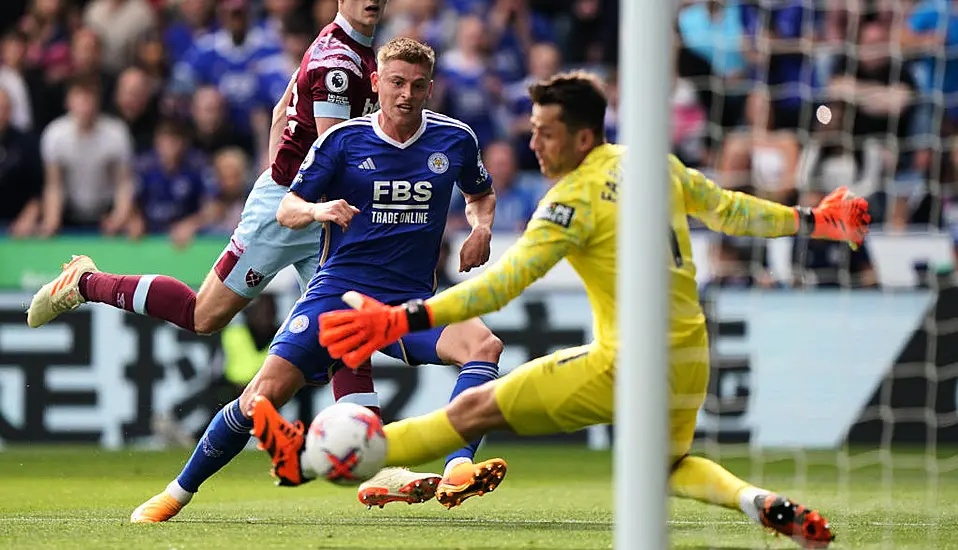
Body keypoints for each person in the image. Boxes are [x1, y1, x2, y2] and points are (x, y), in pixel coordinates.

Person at [252, 72, 871, 548]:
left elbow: (496, 289)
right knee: (668, 466)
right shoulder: (657, 165)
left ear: (580, 136)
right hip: (689, 359)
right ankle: (759, 503)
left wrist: (400, 320)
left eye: (544, 131)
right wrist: (818, 219)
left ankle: (313, 458)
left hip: (622, 364)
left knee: (469, 410)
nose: (532, 142)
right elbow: (733, 211)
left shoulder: (568, 201)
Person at [26, 0, 386, 523]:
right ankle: (88, 282)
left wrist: (279, 161)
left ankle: (374, 470)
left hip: (321, 210)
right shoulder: (338, 59)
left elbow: (280, 113)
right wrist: (288, 188)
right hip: (296, 209)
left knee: (347, 332)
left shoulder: (354, 50)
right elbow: (337, 155)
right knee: (204, 315)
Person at [255, 36, 507, 510]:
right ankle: (178, 491)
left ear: (430, 88)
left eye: (417, 85)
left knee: (485, 346)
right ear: (377, 83)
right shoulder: (343, 141)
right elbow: (287, 206)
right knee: (260, 399)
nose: (406, 94)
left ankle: (457, 468)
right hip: (341, 296)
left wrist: (482, 229)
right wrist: (320, 210)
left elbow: (480, 193)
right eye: (396, 83)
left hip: (408, 302)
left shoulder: (455, 138)